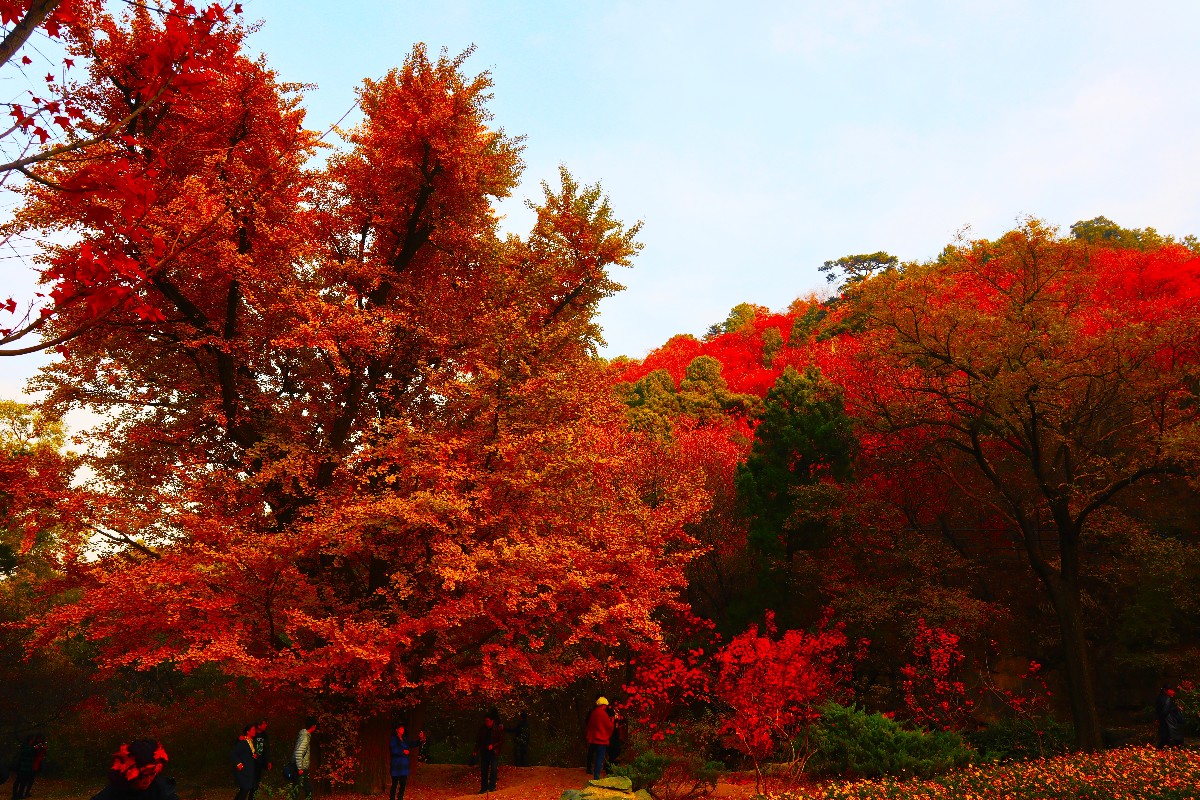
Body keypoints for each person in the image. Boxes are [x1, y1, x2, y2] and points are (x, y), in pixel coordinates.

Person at [90, 739, 178, 800]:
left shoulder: (161, 790)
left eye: (152, 774)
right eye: (142, 776)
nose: (147, 781)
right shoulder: (115, 792)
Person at [474, 708, 503, 793]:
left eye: (488, 721)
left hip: (493, 752)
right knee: (484, 770)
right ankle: (484, 788)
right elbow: (478, 740)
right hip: (484, 751)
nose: (486, 722)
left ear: (492, 721)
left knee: (493, 769)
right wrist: (476, 750)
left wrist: (493, 746)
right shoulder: (482, 728)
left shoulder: (497, 728)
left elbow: (501, 740)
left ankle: (492, 786)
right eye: (485, 721)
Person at [585, 698, 615, 781]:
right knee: (599, 758)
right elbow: (609, 726)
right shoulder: (603, 714)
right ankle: (596, 776)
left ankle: (590, 770)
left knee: (592, 755)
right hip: (601, 739)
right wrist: (612, 721)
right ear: (603, 705)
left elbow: (590, 725)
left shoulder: (594, 712)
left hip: (593, 738)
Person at [11, 734, 45, 800]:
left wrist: (40, 749)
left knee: (23, 783)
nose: (33, 741)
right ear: (30, 740)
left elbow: (35, 755)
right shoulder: (24, 746)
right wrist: (33, 748)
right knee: (18, 781)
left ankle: (20, 794)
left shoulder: (31, 747)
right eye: (33, 739)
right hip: (22, 767)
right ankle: (14, 795)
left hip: (28, 768)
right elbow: (25, 753)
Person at [388, 721, 417, 800]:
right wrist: (403, 751)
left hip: (404, 764)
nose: (402, 730)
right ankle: (392, 798)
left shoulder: (404, 739)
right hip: (396, 764)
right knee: (395, 783)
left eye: (403, 728)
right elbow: (393, 750)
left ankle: (400, 797)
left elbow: (412, 743)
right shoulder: (394, 739)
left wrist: (420, 740)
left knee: (403, 783)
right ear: (397, 730)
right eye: (401, 728)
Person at [291, 717, 317, 800]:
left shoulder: (304, 735)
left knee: (297, 789)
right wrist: (300, 768)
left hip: (299, 767)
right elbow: (299, 752)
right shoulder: (305, 737)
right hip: (300, 768)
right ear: (313, 726)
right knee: (307, 789)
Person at [231, 724, 257, 800]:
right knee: (245, 788)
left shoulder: (252, 741)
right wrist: (238, 763)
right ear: (248, 732)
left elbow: (249, 753)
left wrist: (255, 755)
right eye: (253, 730)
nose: (255, 731)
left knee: (244, 789)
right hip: (243, 770)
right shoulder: (242, 742)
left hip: (249, 770)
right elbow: (233, 753)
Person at [250, 719, 271, 800]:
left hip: (260, 761)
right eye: (264, 724)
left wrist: (268, 761)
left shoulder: (265, 735)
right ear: (259, 725)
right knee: (251, 781)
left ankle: (252, 796)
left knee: (257, 781)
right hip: (252, 762)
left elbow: (267, 749)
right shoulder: (252, 734)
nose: (266, 725)